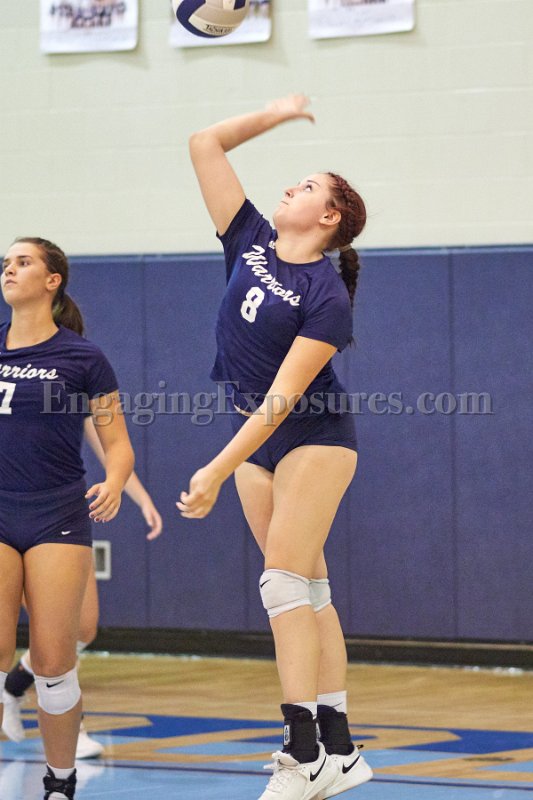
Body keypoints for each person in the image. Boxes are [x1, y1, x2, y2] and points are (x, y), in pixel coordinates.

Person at [179, 94, 373, 799]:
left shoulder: (326, 296)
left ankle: (302, 753)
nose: (292, 186)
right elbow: (204, 143)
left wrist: (213, 468)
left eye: (309, 186)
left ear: (329, 219)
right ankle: (341, 749)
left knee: (281, 584)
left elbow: (281, 402)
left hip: (312, 436)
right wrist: (277, 112)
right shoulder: (250, 238)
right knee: (308, 589)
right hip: (254, 440)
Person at [0, 237, 134, 800]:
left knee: (55, 662)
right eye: (6, 263)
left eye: (23, 261)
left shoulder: (82, 358)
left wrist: (116, 481)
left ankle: (59, 784)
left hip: (56, 512)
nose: (10, 269)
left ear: (52, 280)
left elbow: (118, 444)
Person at [1, 415, 163, 759]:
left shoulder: (76, 382)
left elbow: (111, 446)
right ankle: (74, 730)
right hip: (10, 515)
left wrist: (140, 497)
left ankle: (15, 686)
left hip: (60, 516)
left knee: (84, 627)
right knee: (52, 634)